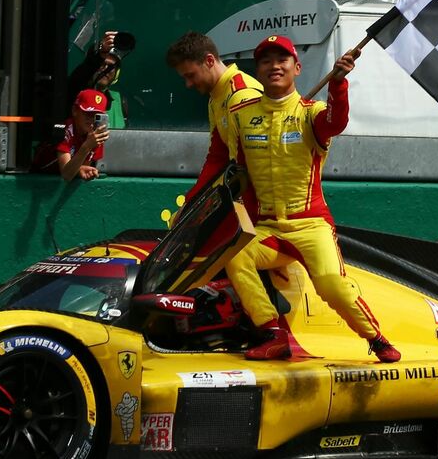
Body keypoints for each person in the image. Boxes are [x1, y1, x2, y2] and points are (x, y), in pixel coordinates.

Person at [222, 35, 400, 363]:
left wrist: (338, 83)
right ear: (258, 71)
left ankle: (375, 339)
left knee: (331, 285)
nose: (274, 66)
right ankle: (273, 334)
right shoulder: (240, 114)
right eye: (266, 61)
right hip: (268, 229)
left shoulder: (311, 112)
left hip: (311, 225)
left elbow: (336, 122)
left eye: (282, 60)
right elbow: (241, 172)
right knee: (234, 254)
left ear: (297, 68)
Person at [164, 31, 263, 205]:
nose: (188, 84)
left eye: (190, 75)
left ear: (209, 61)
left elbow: (258, 161)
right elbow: (218, 156)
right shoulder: (215, 97)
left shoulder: (242, 94)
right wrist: (191, 202)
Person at [33, 89, 110, 182]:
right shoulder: (64, 129)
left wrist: (81, 170)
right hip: (36, 176)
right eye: (88, 114)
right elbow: (67, 175)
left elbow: (81, 167)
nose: (91, 119)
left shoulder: (95, 136)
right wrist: (87, 146)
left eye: (96, 116)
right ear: (74, 110)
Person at [68, 30, 130, 129]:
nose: (105, 69)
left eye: (110, 66)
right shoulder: (75, 94)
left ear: (116, 73)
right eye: (102, 64)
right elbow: (78, 77)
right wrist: (101, 53)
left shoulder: (121, 102)